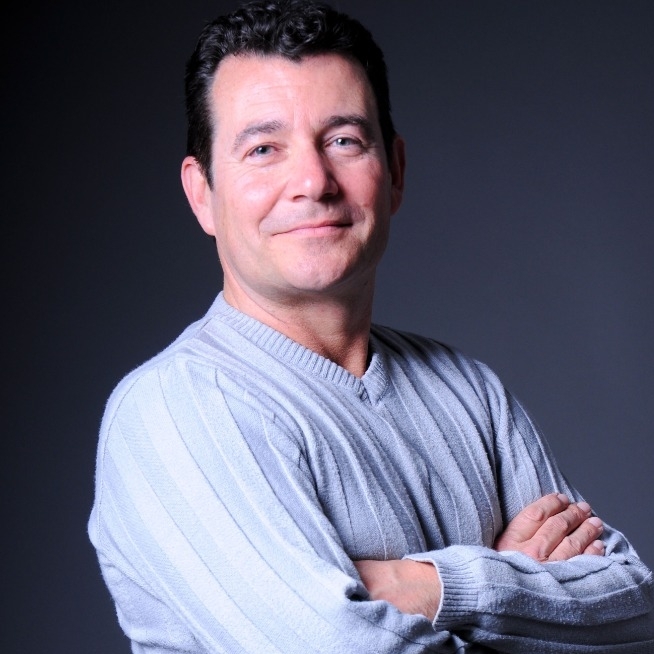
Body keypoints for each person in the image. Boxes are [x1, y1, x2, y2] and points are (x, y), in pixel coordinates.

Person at [88, 1, 654, 651]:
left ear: (396, 172)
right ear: (202, 194)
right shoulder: (174, 411)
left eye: (343, 141)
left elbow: (637, 612)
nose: (312, 181)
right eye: (263, 149)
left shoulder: (471, 392)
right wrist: (521, 594)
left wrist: (427, 585)